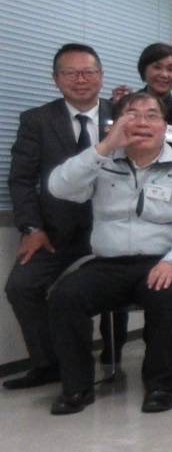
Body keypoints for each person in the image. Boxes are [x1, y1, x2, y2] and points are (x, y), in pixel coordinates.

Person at [45, 91, 172, 415]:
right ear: (117, 123)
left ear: (165, 126)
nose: (142, 122)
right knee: (65, 297)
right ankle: (76, 387)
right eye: (132, 114)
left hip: (162, 261)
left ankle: (161, 386)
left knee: (169, 296)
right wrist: (105, 147)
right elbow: (58, 187)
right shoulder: (101, 162)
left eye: (152, 115)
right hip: (107, 264)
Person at [4, 44, 114, 391]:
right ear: (56, 79)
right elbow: (21, 179)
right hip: (56, 232)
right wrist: (32, 227)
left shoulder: (123, 114)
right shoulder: (37, 120)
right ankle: (49, 363)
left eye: (88, 72)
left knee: (104, 288)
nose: (80, 79)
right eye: (70, 73)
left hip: (113, 229)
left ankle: (111, 355)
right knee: (21, 286)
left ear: (101, 76)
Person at [112, 42, 172, 153]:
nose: (164, 74)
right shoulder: (124, 105)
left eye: (171, 69)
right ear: (143, 70)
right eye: (157, 67)